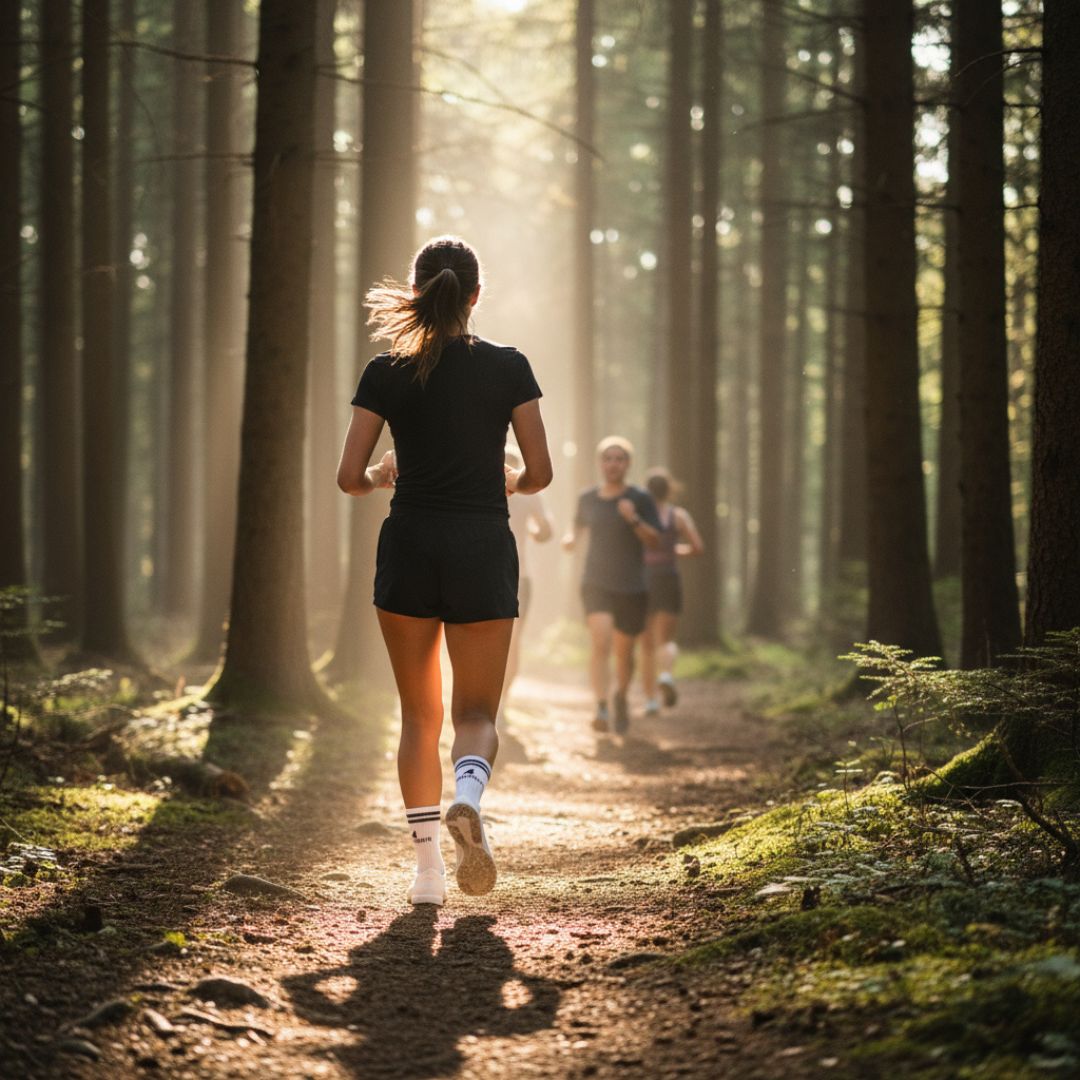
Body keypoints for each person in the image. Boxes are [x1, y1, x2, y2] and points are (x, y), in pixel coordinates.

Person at [336, 236, 552, 908]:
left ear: (416, 291)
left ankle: (428, 874)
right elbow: (541, 473)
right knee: (477, 712)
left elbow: (349, 478)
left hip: (409, 547)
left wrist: (381, 475)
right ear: (475, 295)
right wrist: (509, 480)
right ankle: (469, 797)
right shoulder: (509, 366)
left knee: (417, 717)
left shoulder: (385, 371)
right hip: (482, 547)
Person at [562, 437, 660, 734]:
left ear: (628, 464)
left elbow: (655, 541)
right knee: (600, 641)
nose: (613, 464)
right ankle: (601, 705)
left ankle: (621, 696)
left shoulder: (640, 498)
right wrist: (570, 539)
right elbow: (577, 525)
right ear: (600, 463)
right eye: (607, 458)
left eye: (619, 459)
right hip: (596, 581)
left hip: (632, 585)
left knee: (625, 652)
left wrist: (634, 519)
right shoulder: (587, 498)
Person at [499, 445, 554, 755]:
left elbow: (546, 531)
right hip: (487, 574)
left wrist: (539, 529)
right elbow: (545, 531)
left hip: (519, 577)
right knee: (499, 641)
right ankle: (488, 703)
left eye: (510, 465)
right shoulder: (477, 484)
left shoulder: (528, 492)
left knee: (511, 642)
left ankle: (501, 703)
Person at [638, 467, 705, 716]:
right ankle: (666, 674)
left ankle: (650, 700)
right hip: (668, 578)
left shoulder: (639, 517)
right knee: (666, 640)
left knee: (645, 644)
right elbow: (697, 548)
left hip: (643, 580)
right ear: (669, 491)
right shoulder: (678, 516)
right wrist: (673, 550)